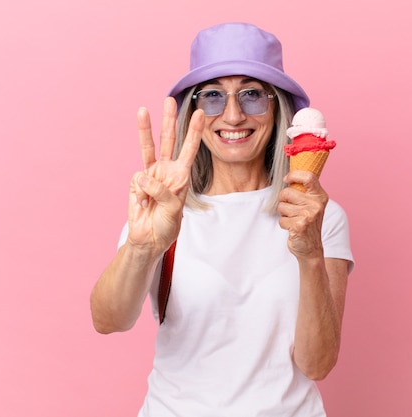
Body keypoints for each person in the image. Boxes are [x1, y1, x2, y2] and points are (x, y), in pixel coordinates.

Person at [90, 22, 355, 417]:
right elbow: (108, 320)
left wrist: (311, 253)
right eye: (212, 96)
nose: (232, 115)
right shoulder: (165, 206)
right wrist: (141, 247)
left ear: (276, 105)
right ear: (194, 112)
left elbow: (316, 364)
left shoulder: (318, 216)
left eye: (252, 95)